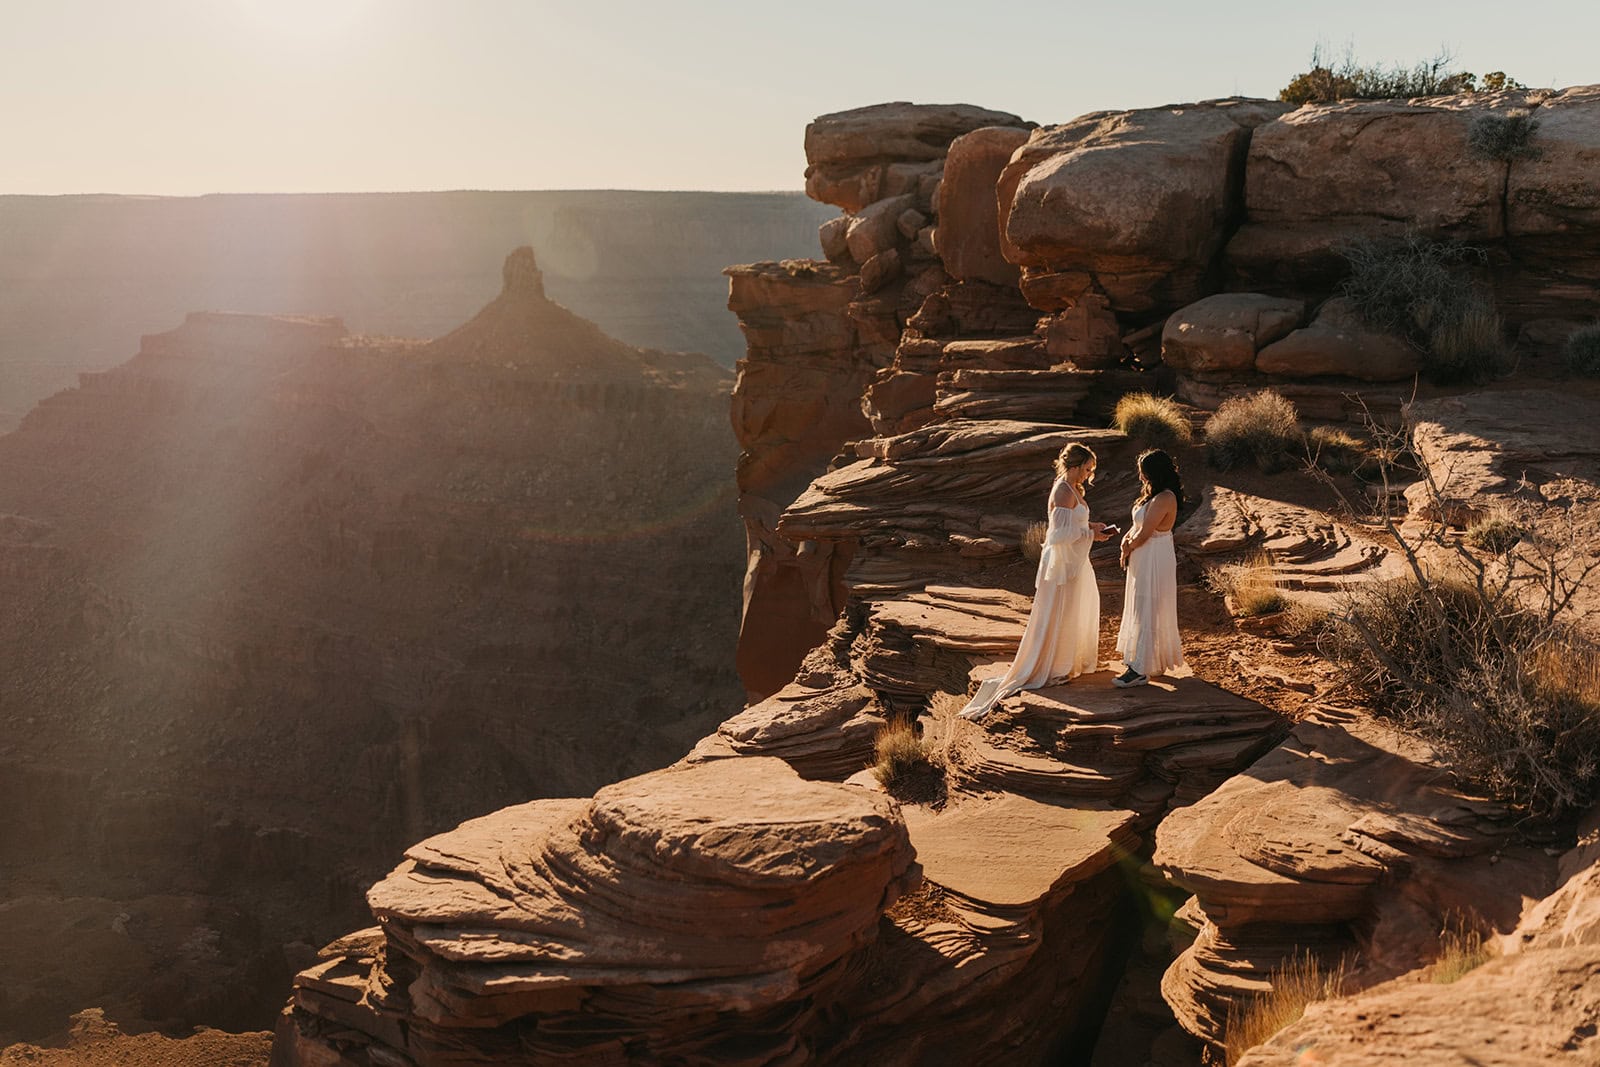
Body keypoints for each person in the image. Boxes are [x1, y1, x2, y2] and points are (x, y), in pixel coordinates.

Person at [961, 442, 1112, 720]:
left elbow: (1070, 527)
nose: (1090, 474)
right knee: (1060, 610)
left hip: (1074, 561)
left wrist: (1093, 528)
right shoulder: (1063, 490)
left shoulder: (1073, 489)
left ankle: (1068, 661)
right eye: (1087, 468)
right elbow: (1058, 535)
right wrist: (1091, 536)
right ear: (1075, 466)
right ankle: (1054, 665)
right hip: (1062, 564)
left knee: (1074, 608)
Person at [1115, 449, 1186, 687]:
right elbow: (1137, 526)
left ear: (1153, 472)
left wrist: (1128, 548)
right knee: (1141, 606)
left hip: (1154, 557)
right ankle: (1147, 661)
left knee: (1149, 606)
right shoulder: (1151, 496)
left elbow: (1146, 533)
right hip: (1143, 556)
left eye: (1143, 471)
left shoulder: (1165, 498)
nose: (1140, 476)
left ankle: (1140, 669)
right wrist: (1125, 540)